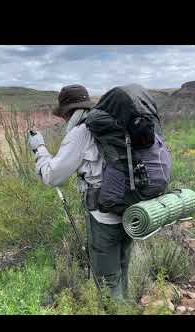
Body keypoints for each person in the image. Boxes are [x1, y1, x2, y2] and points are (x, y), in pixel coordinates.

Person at [28, 84, 133, 300]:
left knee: (107, 281)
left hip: (104, 216)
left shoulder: (81, 132)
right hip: (131, 208)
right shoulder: (114, 122)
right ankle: (126, 306)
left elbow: (52, 175)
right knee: (122, 269)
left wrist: (39, 148)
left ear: (67, 112)